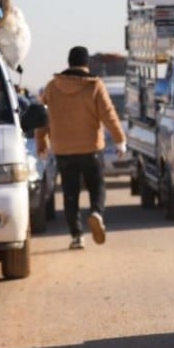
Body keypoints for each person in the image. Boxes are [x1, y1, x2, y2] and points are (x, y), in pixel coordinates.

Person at [36, 46, 127, 250]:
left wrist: (41, 141)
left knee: (70, 194)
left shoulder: (52, 87)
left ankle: (77, 236)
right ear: (87, 64)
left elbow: (41, 117)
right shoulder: (94, 86)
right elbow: (109, 114)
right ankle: (96, 213)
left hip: (63, 150)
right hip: (91, 149)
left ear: (68, 63)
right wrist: (119, 139)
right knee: (97, 186)